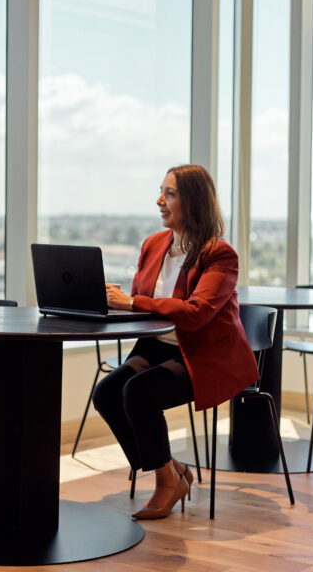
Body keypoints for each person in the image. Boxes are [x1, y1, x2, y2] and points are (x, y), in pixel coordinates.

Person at [94, 164, 258, 520]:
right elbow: (143, 298)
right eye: (161, 192)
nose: (160, 201)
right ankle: (169, 471)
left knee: (138, 392)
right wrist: (117, 298)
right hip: (158, 346)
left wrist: (135, 302)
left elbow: (197, 312)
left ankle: (166, 481)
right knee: (107, 392)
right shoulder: (154, 244)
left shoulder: (220, 254)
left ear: (194, 201)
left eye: (169, 194)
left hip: (202, 355)